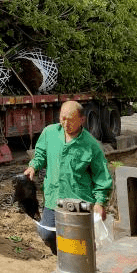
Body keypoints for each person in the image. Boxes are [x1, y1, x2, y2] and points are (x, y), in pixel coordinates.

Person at [23, 100, 113, 254]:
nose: (65, 123)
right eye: (62, 118)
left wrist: (100, 202)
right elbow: (41, 154)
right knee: (48, 233)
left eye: (70, 119)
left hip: (80, 202)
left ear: (82, 120)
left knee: (80, 240)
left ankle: (77, 263)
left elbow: (101, 176)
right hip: (54, 199)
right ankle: (66, 256)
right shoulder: (49, 133)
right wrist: (33, 166)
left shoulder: (91, 145)